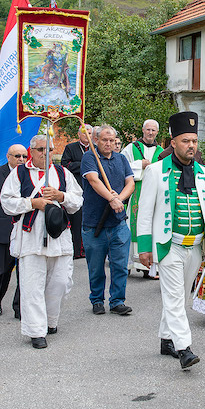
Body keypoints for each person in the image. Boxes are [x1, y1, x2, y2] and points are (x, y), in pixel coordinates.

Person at [138, 112, 205, 371]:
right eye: (186, 141)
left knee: (180, 297)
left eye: (194, 140)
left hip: (196, 245)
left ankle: (166, 338)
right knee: (173, 296)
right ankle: (184, 348)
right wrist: (144, 247)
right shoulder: (156, 172)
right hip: (168, 244)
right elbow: (145, 211)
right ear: (173, 142)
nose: (191, 145)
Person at [1, 135, 83, 348]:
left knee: (61, 281)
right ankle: (36, 330)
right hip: (31, 236)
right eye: (40, 150)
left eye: (49, 150)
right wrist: (32, 203)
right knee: (32, 284)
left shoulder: (62, 173)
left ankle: (51, 320)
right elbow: (7, 202)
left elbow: (78, 200)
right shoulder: (19, 173)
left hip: (59, 236)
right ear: (32, 151)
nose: (45, 154)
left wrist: (61, 196)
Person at [81, 125, 135, 316]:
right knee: (96, 267)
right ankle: (96, 299)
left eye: (112, 140)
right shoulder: (90, 157)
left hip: (118, 223)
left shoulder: (121, 159)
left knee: (120, 265)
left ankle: (117, 300)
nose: (109, 144)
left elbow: (130, 183)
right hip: (94, 224)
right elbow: (94, 180)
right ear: (96, 140)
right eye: (105, 140)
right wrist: (110, 198)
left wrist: (118, 198)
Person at [0, 144, 26, 318]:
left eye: (24, 156)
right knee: (2, 271)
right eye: (17, 156)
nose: (21, 160)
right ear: (8, 157)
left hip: (24, 230)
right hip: (3, 230)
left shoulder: (29, 174)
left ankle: (19, 307)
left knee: (23, 272)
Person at [121, 119, 165, 278]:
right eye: (148, 130)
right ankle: (127, 265)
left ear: (157, 132)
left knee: (151, 226)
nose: (151, 133)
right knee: (132, 226)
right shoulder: (131, 148)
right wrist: (140, 164)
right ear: (143, 130)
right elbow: (122, 165)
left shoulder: (161, 151)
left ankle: (148, 268)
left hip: (153, 193)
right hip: (136, 191)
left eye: (153, 130)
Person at [62, 124, 94, 258]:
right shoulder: (71, 148)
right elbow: (66, 165)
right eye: (84, 132)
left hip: (92, 189)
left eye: (90, 133)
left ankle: (89, 250)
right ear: (79, 134)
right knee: (76, 221)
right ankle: (77, 250)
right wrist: (84, 165)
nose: (87, 135)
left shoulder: (95, 149)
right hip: (77, 187)